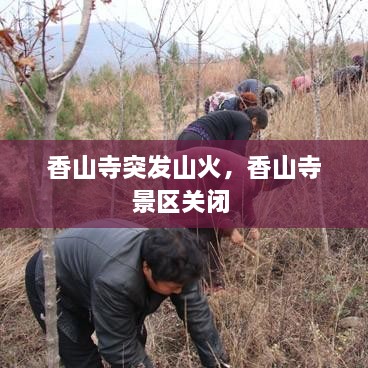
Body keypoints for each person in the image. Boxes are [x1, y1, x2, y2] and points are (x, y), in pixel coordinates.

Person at [25, 220, 230, 368]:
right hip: (53, 280)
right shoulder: (117, 281)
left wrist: (219, 363)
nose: (179, 291)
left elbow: (197, 316)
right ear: (147, 268)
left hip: (93, 267)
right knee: (82, 358)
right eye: (173, 287)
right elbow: (119, 347)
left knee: (136, 338)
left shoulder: (181, 259)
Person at [165, 147, 292, 291]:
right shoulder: (245, 177)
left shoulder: (252, 173)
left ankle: (208, 281)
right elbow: (214, 209)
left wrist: (252, 225)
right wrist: (231, 231)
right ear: (269, 180)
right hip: (181, 171)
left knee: (211, 228)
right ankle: (203, 284)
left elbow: (243, 200)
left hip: (183, 169)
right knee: (200, 226)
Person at [177, 108, 268, 155]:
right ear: (254, 120)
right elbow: (236, 152)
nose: (254, 132)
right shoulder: (246, 122)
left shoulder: (234, 118)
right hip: (198, 141)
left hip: (184, 138)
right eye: (256, 129)